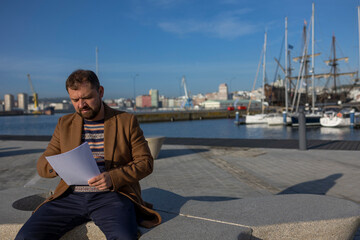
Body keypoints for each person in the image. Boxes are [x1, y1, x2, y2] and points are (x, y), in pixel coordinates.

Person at [16, 69, 161, 240]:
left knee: (124, 237)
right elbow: (42, 165)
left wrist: (113, 177)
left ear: (100, 92)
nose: (81, 104)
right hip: (69, 197)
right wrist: (62, 166)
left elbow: (145, 163)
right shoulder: (64, 124)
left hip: (112, 196)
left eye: (87, 98)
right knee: (26, 237)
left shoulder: (126, 121)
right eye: (75, 100)